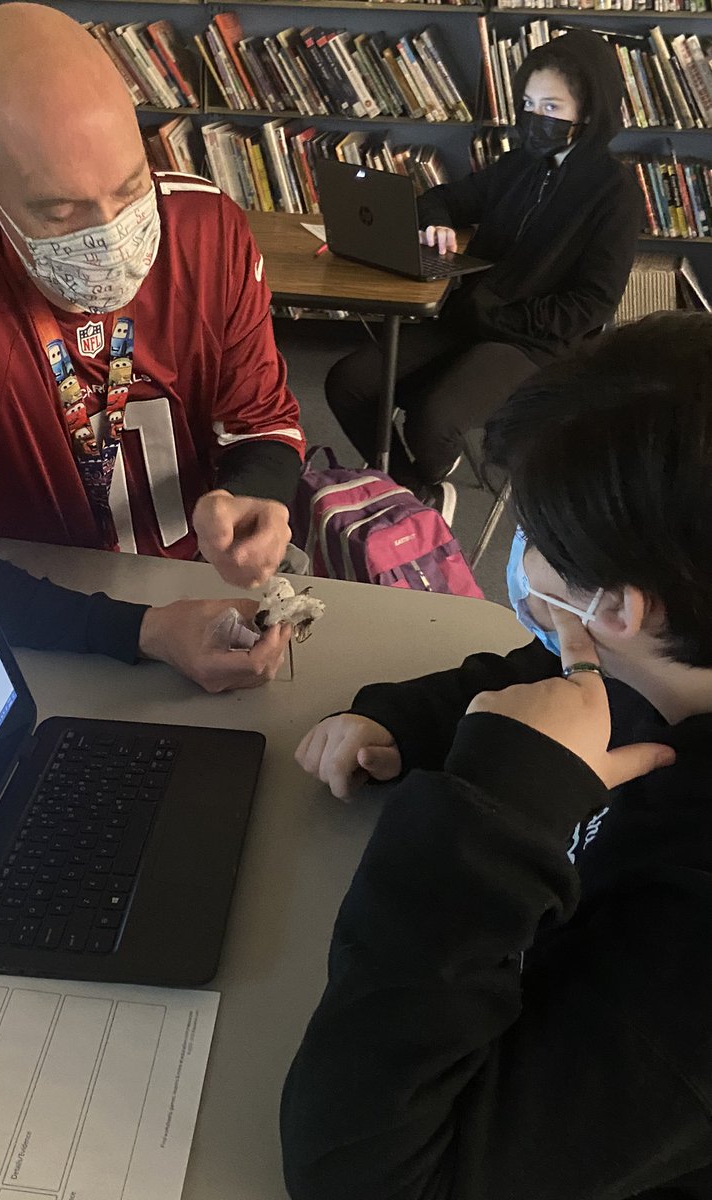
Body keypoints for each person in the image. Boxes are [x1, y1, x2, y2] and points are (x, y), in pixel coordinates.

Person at [283, 311, 712, 1199]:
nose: (522, 559)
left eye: (539, 540)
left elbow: (367, 1173)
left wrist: (487, 811)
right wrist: (404, 721)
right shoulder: (659, 662)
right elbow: (542, 667)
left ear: (623, 608)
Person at [0, 3, 305, 694]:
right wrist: (141, 630)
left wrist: (250, 498)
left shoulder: (208, 226)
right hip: (27, 616)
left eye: (129, 188)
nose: (114, 234)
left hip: (204, 587)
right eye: (59, 214)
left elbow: (263, 423)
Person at [325, 29, 643, 521]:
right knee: (348, 381)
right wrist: (436, 222)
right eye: (528, 104)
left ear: (590, 111)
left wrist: (497, 313)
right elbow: (445, 198)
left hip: (536, 343)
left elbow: (590, 306)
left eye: (552, 108)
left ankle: (423, 482)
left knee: (432, 422)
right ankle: (414, 490)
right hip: (470, 317)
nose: (536, 119)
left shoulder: (615, 193)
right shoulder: (519, 164)